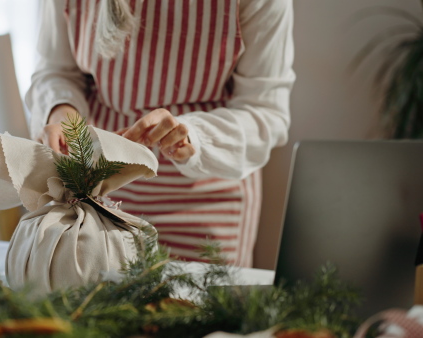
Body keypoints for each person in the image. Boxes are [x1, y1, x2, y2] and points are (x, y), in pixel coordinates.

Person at [25, 0, 295, 267]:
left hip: (207, 195)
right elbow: (56, 70)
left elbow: (263, 110)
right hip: (97, 189)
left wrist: (190, 134)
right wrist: (63, 112)